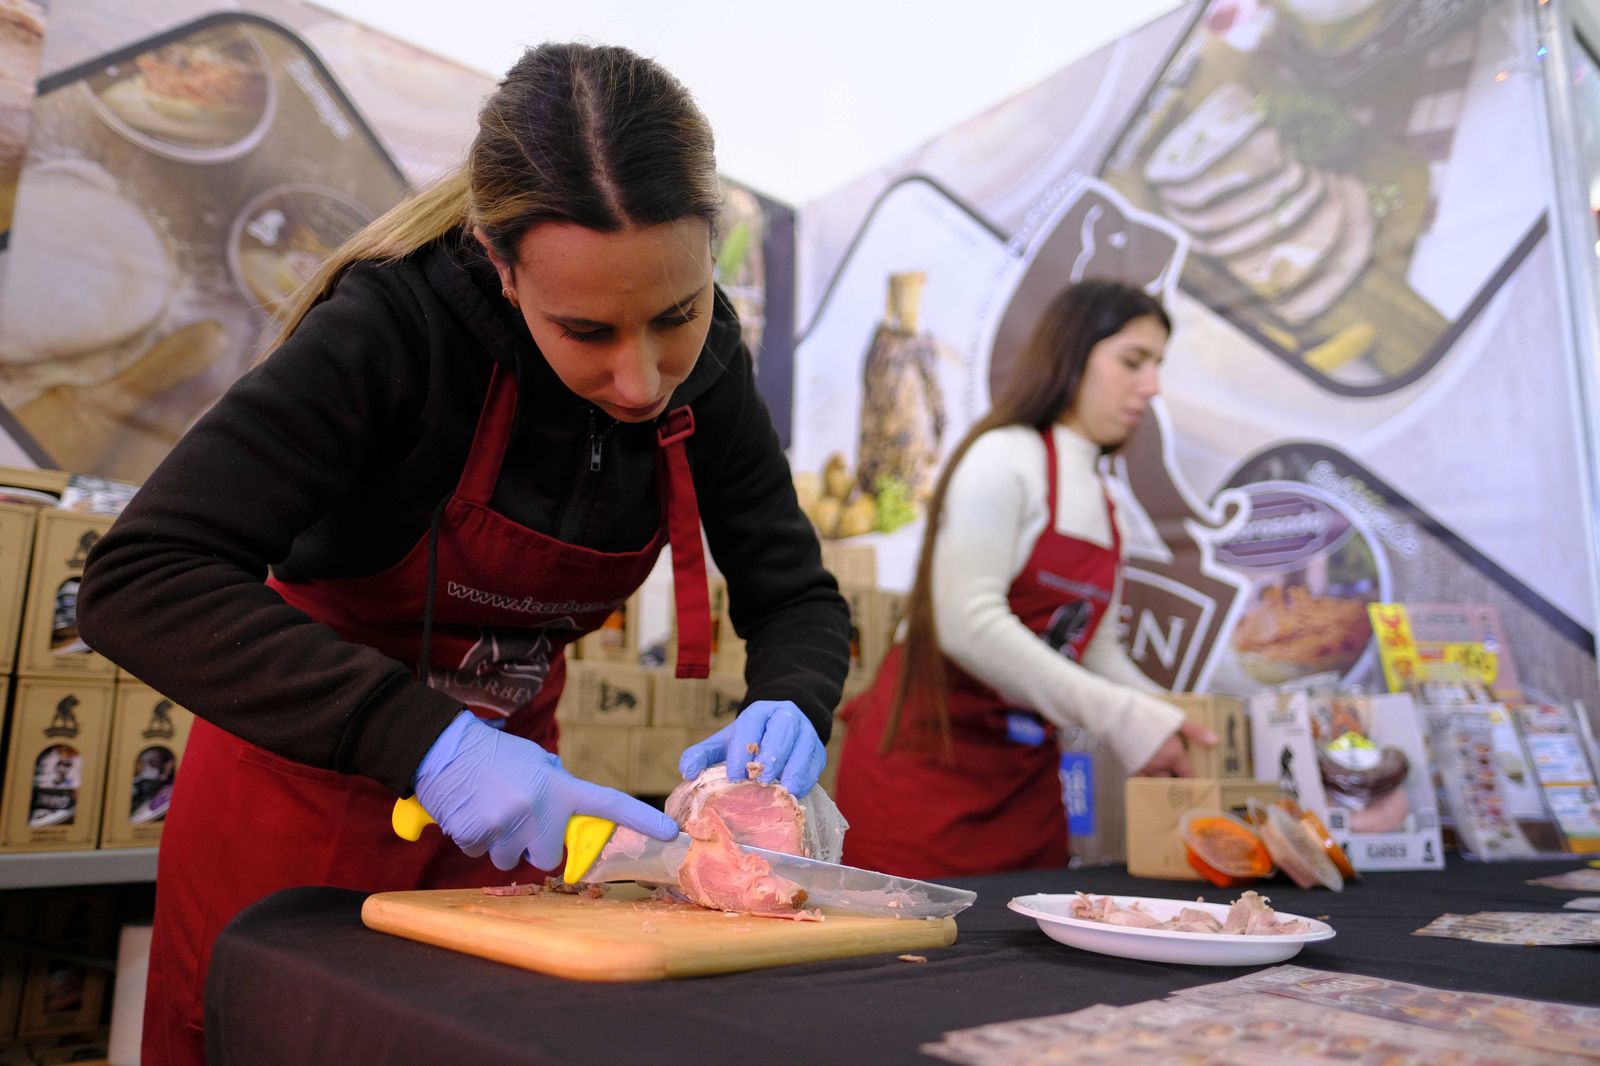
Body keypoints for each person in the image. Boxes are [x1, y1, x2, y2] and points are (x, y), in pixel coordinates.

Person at [77, 42, 849, 1066]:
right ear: (499, 261)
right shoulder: (394, 332)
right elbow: (139, 579)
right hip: (301, 799)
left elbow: (793, 592)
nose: (641, 379)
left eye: (676, 314)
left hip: (511, 817)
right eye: (586, 330)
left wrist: (794, 697)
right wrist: (434, 744)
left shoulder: (708, 369)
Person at [833, 279, 1213, 881]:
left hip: (1023, 787)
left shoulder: (1107, 502)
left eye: (1158, 366)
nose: (1152, 386)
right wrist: (1123, 718)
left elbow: (1096, 648)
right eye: (1133, 361)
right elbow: (967, 622)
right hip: (925, 772)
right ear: (1072, 354)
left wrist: (1168, 718)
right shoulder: (1002, 458)